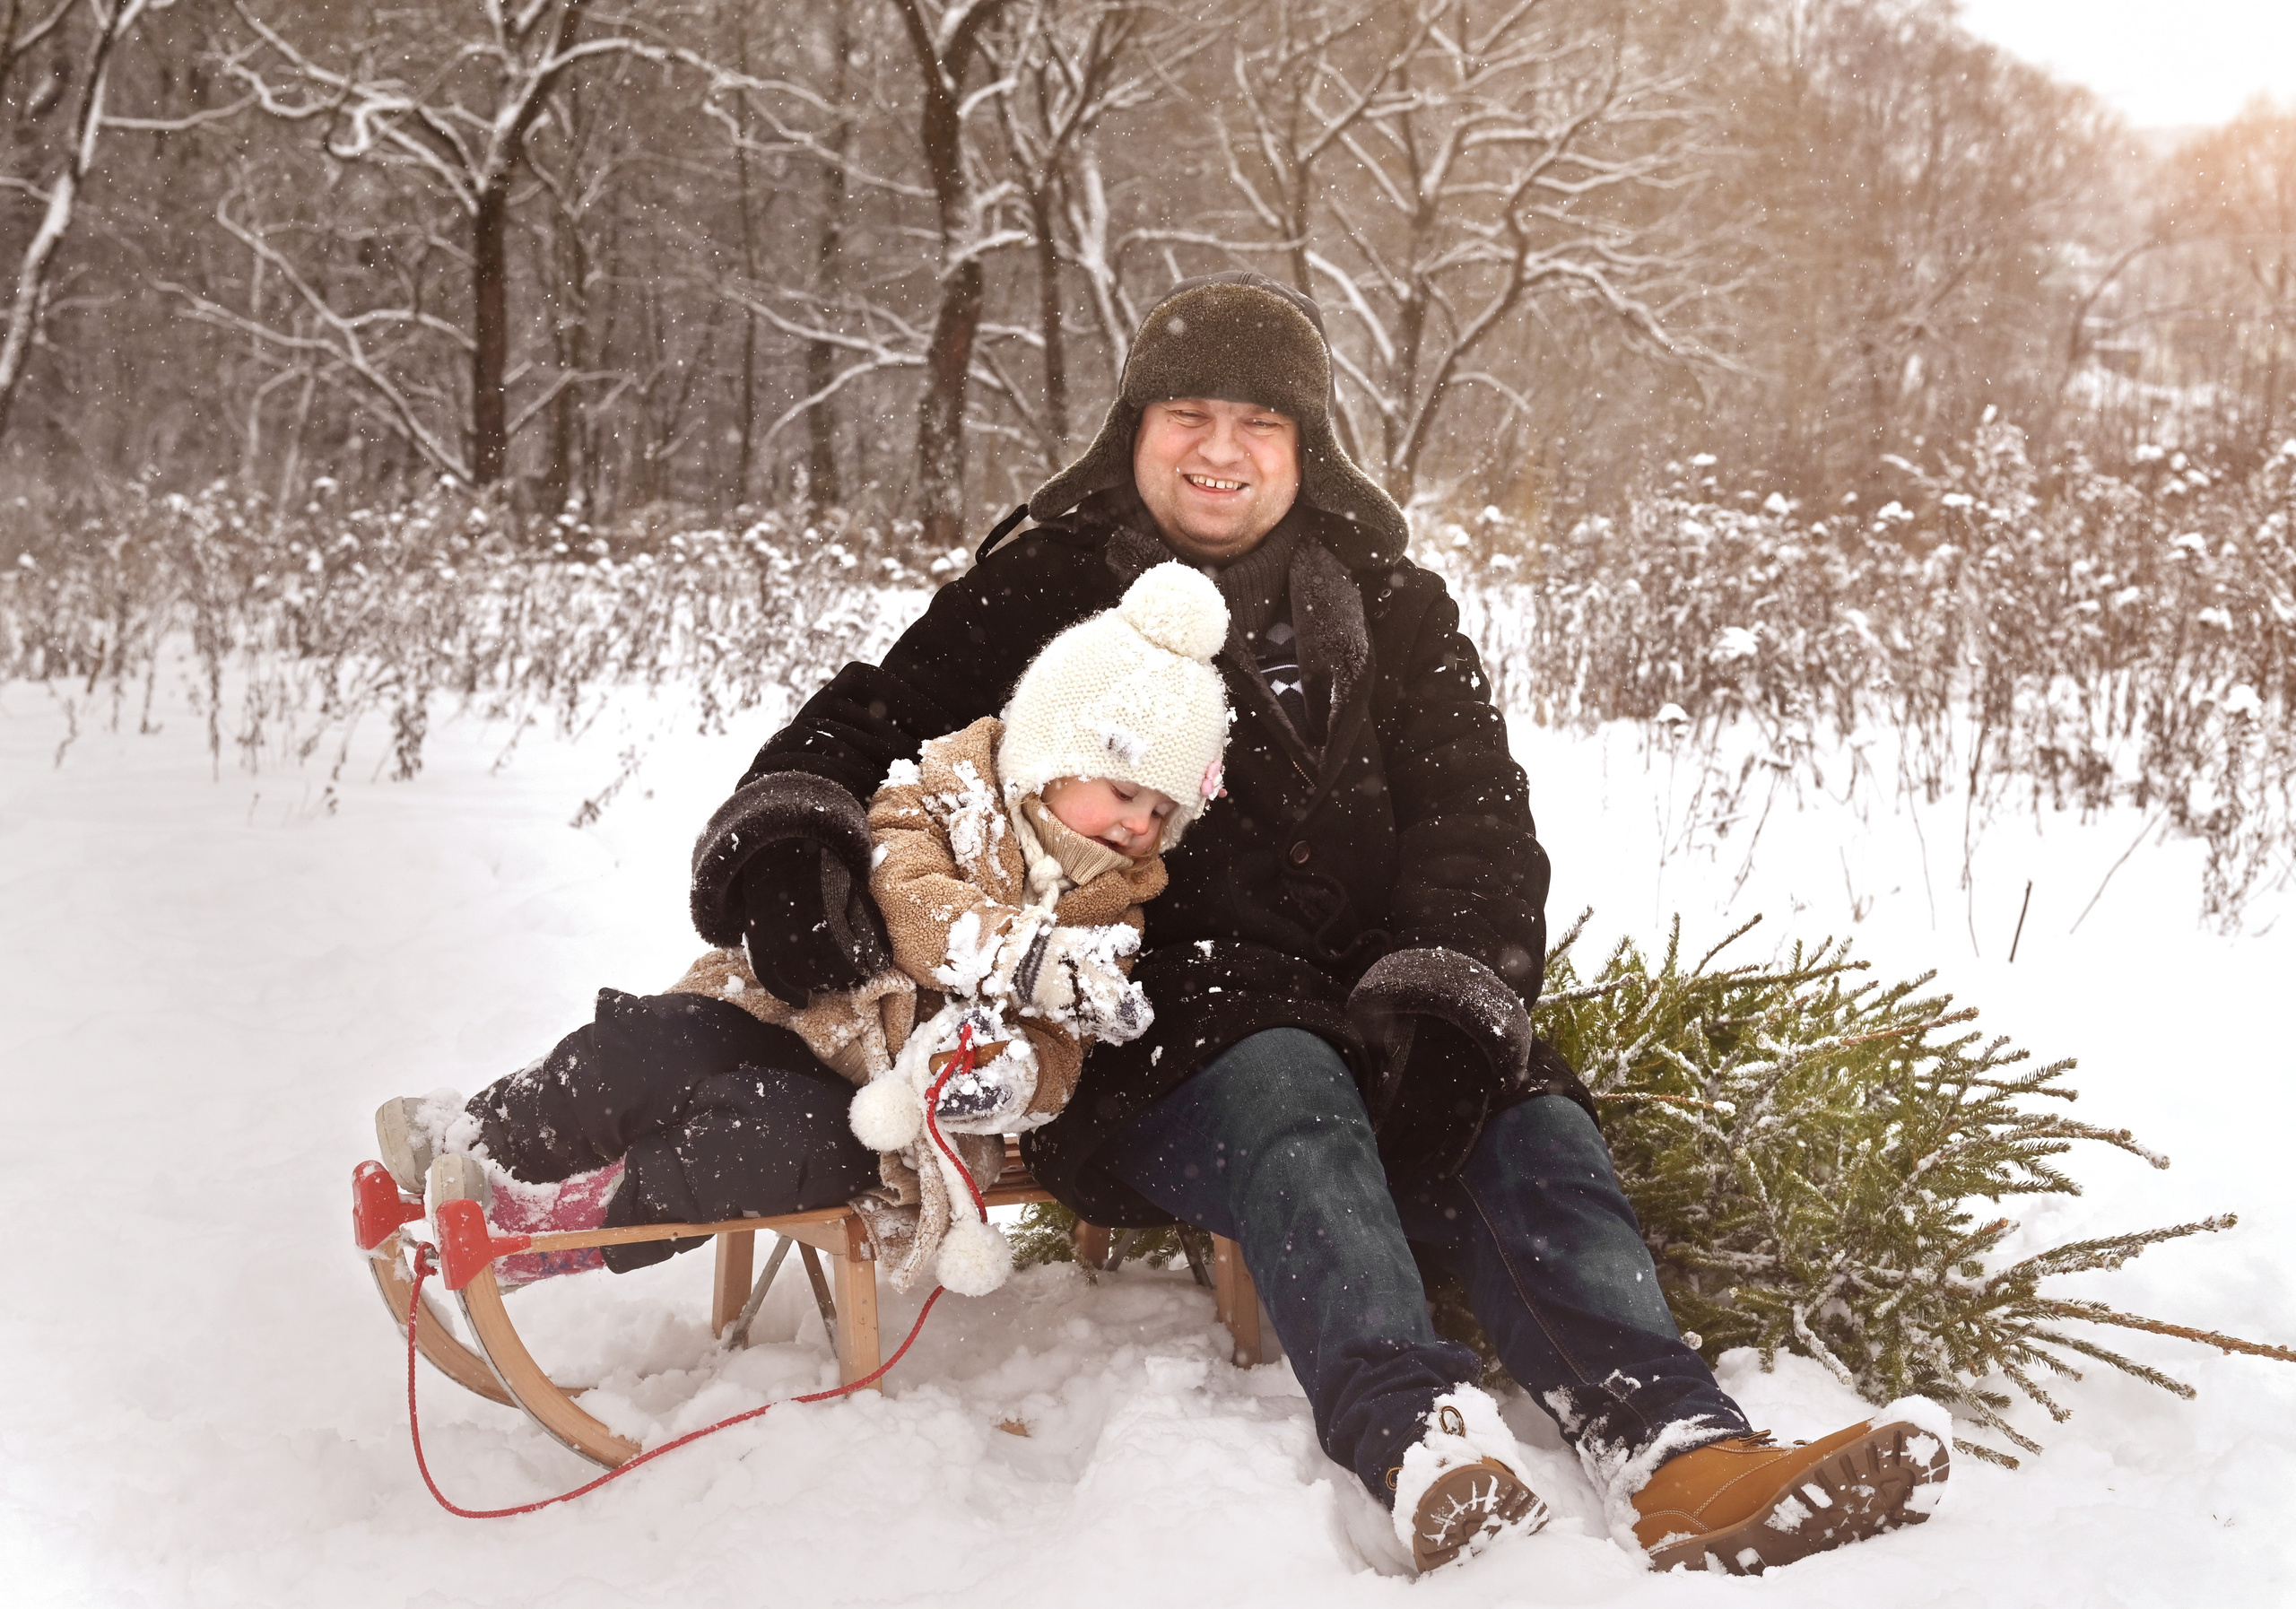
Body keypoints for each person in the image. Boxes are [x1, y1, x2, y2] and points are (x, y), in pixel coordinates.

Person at [700, 272, 1949, 1575]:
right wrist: (795, 849)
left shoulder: (1395, 607)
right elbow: (858, 723)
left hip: (1366, 989)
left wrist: (1452, 994)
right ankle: (1417, 1439)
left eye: (1262, 424)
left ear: (1310, 447)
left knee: (1521, 1106)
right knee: (1287, 1081)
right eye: (1188, 413)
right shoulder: (1049, 582)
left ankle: (1682, 1448)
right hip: (1143, 1019)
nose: (1221, 451)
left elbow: (1479, 820)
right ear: (1134, 427)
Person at [374, 561, 1232, 1300]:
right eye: (1123, 794)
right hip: (800, 1012)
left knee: (750, 1138)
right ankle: (477, 1140)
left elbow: (1060, 1056)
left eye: (1163, 810)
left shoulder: (1113, 909)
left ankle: (545, 1231)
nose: (1138, 826)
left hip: (887, 1124)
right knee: (658, 1045)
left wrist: (1006, 1081)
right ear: (1052, 753)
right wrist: (1020, 955)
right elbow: (906, 893)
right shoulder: (941, 790)